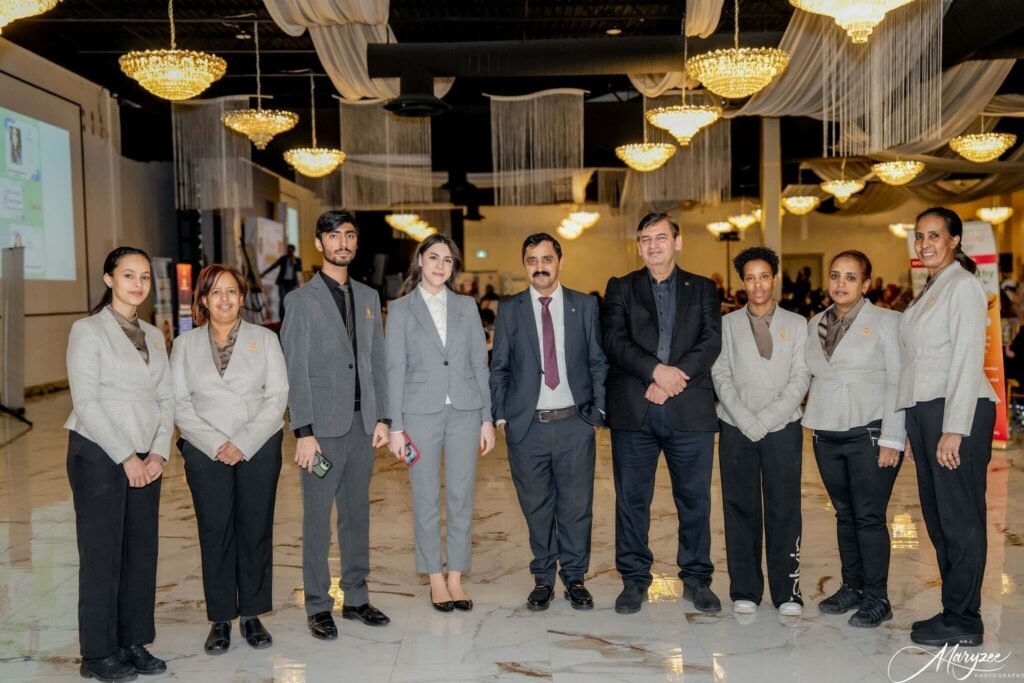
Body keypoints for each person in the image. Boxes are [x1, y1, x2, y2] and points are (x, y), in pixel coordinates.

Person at [601, 212, 722, 615]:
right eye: (645, 239)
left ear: (677, 241)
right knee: (632, 501)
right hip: (634, 410)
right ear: (638, 246)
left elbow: (710, 341)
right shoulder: (621, 287)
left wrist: (673, 378)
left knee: (695, 500)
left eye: (661, 237)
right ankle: (634, 580)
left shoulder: (703, 288)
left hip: (689, 410)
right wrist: (655, 371)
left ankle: (697, 579)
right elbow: (613, 340)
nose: (653, 245)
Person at [280, 210, 392, 640]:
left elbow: (376, 360)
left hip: (363, 426)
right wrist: (303, 432)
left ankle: (357, 597)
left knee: (357, 515)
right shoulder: (300, 301)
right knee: (317, 520)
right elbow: (295, 370)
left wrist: (383, 417)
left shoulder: (368, 297)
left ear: (356, 242)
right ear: (319, 243)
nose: (342, 242)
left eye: (349, 235)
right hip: (322, 432)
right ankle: (317, 603)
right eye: (333, 236)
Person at [65, 246, 173, 682]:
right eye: (129, 275)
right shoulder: (87, 330)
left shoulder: (154, 334)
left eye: (144, 277)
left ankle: (133, 641)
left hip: (147, 456)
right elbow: (86, 401)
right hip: (99, 453)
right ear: (109, 279)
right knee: (102, 555)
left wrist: (158, 452)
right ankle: (97, 654)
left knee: (141, 553)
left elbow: (165, 398)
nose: (138, 284)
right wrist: (126, 456)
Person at [169, 264, 289, 654]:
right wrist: (217, 442)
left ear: (242, 297)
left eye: (232, 291)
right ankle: (220, 618)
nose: (225, 299)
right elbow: (178, 403)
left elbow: (277, 397)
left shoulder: (265, 339)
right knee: (215, 531)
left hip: (258, 446)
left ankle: (252, 615)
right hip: (206, 450)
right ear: (203, 299)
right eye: (216, 292)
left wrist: (243, 441)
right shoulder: (185, 345)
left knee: (255, 529)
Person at [490, 233, 608, 611]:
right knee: (536, 507)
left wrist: (597, 413)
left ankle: (575, 577)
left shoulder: (584, 305)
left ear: (559, 261)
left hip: (575, 423)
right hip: (528, 427)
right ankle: (543, 577)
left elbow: (597, 360)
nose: (539, 267)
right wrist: (502, 416)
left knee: (576, 506)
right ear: (524, 265)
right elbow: (499, 366)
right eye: (532, 260)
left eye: (546, 259)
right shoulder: (510, 309)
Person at [897, 207, 998, 647]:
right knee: (939, 517)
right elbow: (916, 362)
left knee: (960, 517)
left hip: (958, 410)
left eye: (934, 235)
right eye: (920, 236)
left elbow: (966, 358)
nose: (924, 244)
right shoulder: (933, 287)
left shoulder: (963, 286)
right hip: (927, 411)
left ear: (955, 240)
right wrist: (911, 426)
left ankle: (965, 619)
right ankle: (955, 609)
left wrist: (955, 427)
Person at [385, 234, 495, 612]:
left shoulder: (466, 306)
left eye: (448, 260)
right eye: (434, 258)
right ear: (420, 260)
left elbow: (480, 364)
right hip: (418, 415)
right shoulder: (401, 309)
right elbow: (394, 369)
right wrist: (396, 427)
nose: (440, 266)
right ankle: (435, 577)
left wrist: (486, 418)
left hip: (465, 412)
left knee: (462, 496)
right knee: (425, 497)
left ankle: (456, 578)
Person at [803, 250, 904, 627]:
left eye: (850, 277)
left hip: (870, 430)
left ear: (866, 284)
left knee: (869, 516)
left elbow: (898, 380)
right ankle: (853, 587)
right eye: (835, 276)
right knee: (844, 514)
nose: (840, 283)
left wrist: (893, 436)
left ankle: (878, 597)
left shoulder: (888, 321)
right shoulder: (815, 323)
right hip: (826, 431)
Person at [711, 247, 809, 617]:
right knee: (740, 507)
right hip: (736, 425)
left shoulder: (797, 324)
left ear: (774, 278)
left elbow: (801, 378)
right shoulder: (727, 324)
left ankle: (788, 592)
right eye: (750, 278)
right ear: (742, 282)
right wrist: (743, 417)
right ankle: (745, 589)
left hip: (782, 426)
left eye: (764, 277)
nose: (757, 285)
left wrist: (766, 419)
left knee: (784, 507)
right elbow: (720, 373)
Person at [262, 244, 302, 320]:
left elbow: (299, 269)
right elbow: (274, 266)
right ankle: (282, 319)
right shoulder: (283, 259)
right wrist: (264, 273)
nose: (289, 252)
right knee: (282, 300)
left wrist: (294, 262)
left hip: (291, 283)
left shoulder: (297, 260)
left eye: (290, 250)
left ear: (293, 251)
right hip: (282, 282)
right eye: (288, 250)